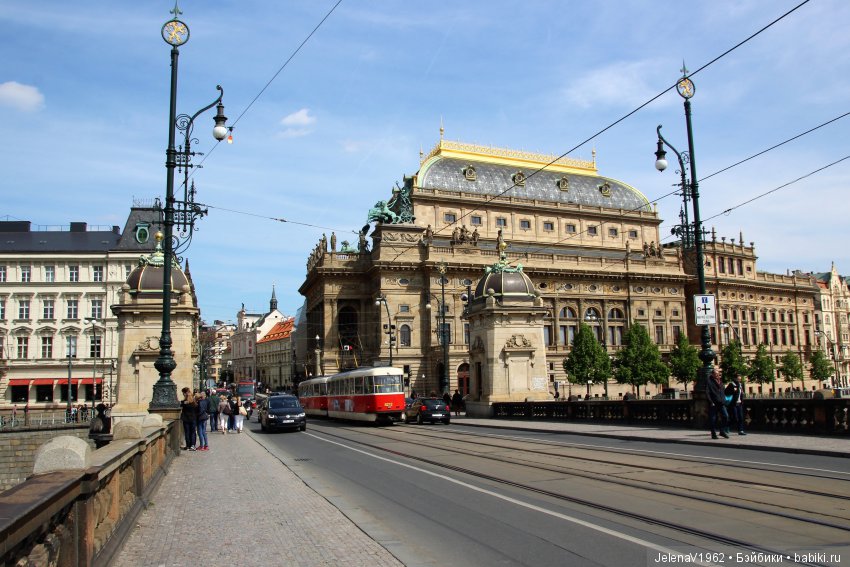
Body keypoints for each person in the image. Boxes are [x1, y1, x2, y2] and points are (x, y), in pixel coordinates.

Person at [707, 368, 729, 439]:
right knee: (713, 419)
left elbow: (723, 391)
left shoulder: (720, 381)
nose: (717, 375)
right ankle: (713, 433)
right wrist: (711, 401)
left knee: (726, 416)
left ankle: (722, 431)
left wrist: (724, 399)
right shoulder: (709, 382)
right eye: (716, 374)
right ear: (712, 374)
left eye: (718, 374)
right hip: (714, 403)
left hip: (721, 402)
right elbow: (707, 393)